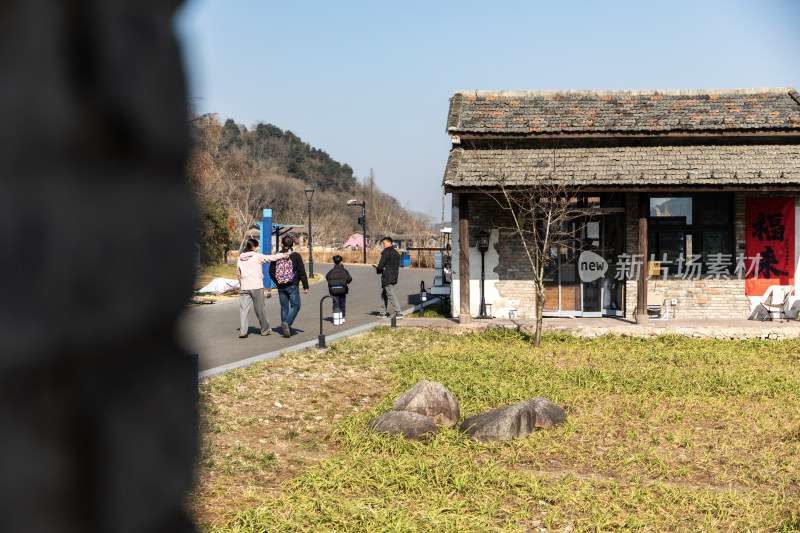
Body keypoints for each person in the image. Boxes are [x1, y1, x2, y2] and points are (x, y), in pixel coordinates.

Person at [236, 239, 288, 338]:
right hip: (256, 286)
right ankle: (265, 329)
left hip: (244, 287)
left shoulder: (240, 259)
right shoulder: (257, 256)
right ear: (254, 247)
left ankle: (242, 331)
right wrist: (283, 255)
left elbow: (238, 273)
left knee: (243, 310)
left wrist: (241, 283)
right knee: (260, 309)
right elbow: (271, 258)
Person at [269, 235, 309, 337]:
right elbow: (301, 272)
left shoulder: (277, 255)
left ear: (281, 244)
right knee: (296, 306)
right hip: (292, 284)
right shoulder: (295, 255)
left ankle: (285, 328)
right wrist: (305, 285)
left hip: (281, 286)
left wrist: (277, 281)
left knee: (284, 308)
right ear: (292, 245)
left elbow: (271, 271)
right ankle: (287, 323)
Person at [374, 236, 402, 318]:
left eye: (384, 243)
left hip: (387, 277)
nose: (383, 245)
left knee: (391, 294)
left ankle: (398, 312)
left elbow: (381, 265)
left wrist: (378, 269)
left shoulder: (386, 253)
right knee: (384, 294)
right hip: (394, 276)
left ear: (389, 243)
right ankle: (383, 312)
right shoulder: (396, 253)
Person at [325, 255, 352, 324]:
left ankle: (336, 317)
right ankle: (342, 317)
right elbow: (349, 279)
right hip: (342, 289)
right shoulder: (344, 271)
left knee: (335, 304)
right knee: (342, 303)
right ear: (341, 262)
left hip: (333, 290)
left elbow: (327, 277)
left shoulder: (331, 272)